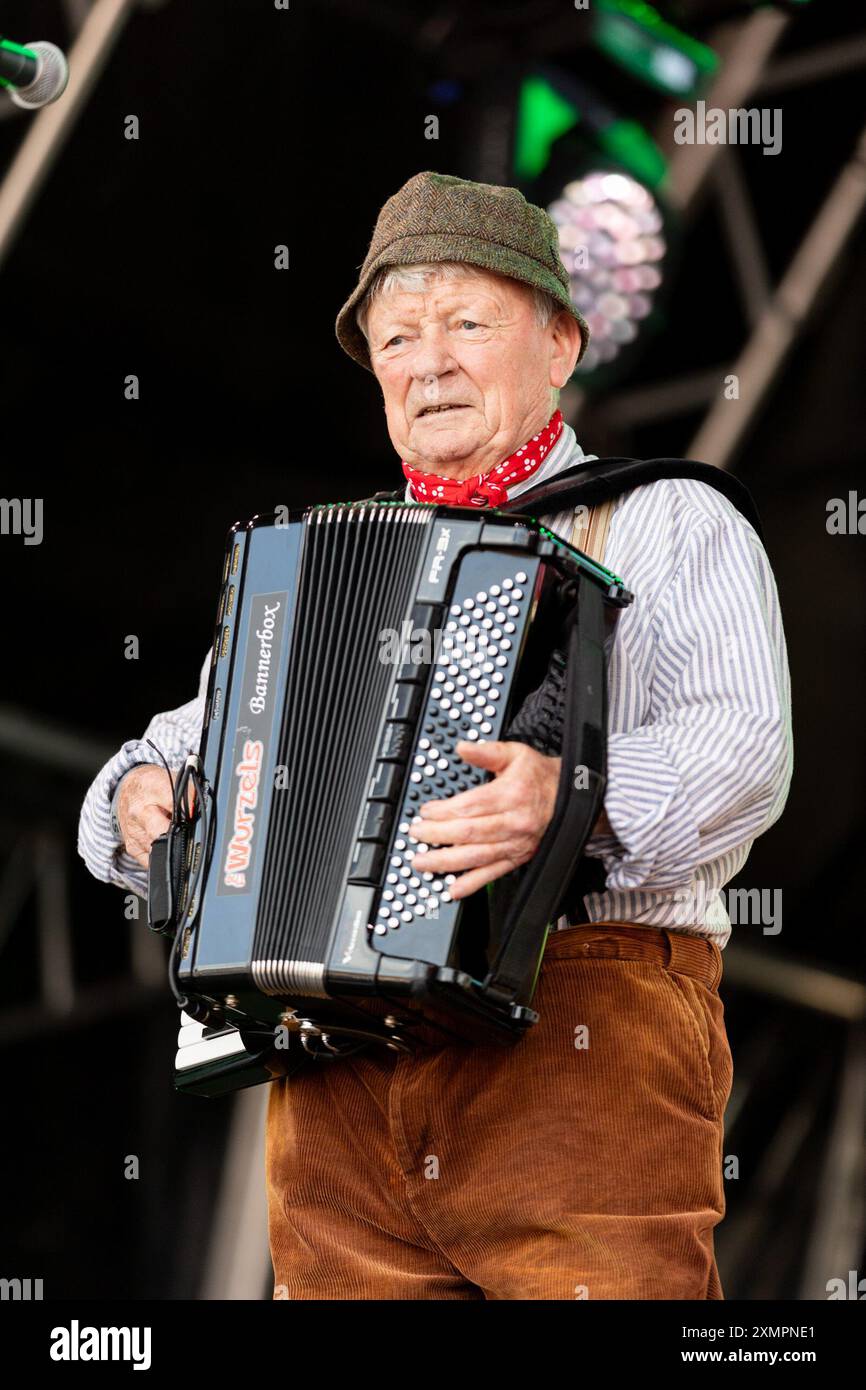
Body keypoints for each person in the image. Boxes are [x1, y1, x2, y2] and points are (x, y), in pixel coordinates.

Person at [78, 171, 793, 1300]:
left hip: (585, 1041)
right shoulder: (312, 568)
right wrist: (140, 794)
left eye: (466, 322)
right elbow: (197, 738)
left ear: (559, 343)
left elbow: (744, 749)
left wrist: (567, 796)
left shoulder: (667, 515)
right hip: (337, 1083)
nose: (428, 360)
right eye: (396, 337)